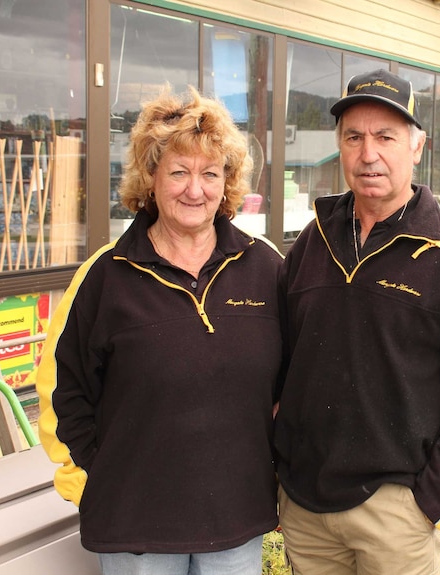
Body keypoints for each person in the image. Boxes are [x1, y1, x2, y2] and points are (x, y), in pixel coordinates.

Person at [274, 68, 440, 574]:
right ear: (339, 145)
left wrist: (431, 502)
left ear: (417, 146)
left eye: (386, 137)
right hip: (306, 510)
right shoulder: (309, 245)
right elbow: (276, 369)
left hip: (397, 512)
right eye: (354, 137)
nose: (369, 154)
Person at [34, 86, 282, 575]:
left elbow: (294, 383)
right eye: (179, 172)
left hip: (236, 520)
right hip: (136, 528)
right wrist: (95, 476)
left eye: (210, 174)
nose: (195, 189)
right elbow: (63, 390)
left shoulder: (265, 268)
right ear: (151, 177)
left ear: (227, 183)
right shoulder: (105, 276)